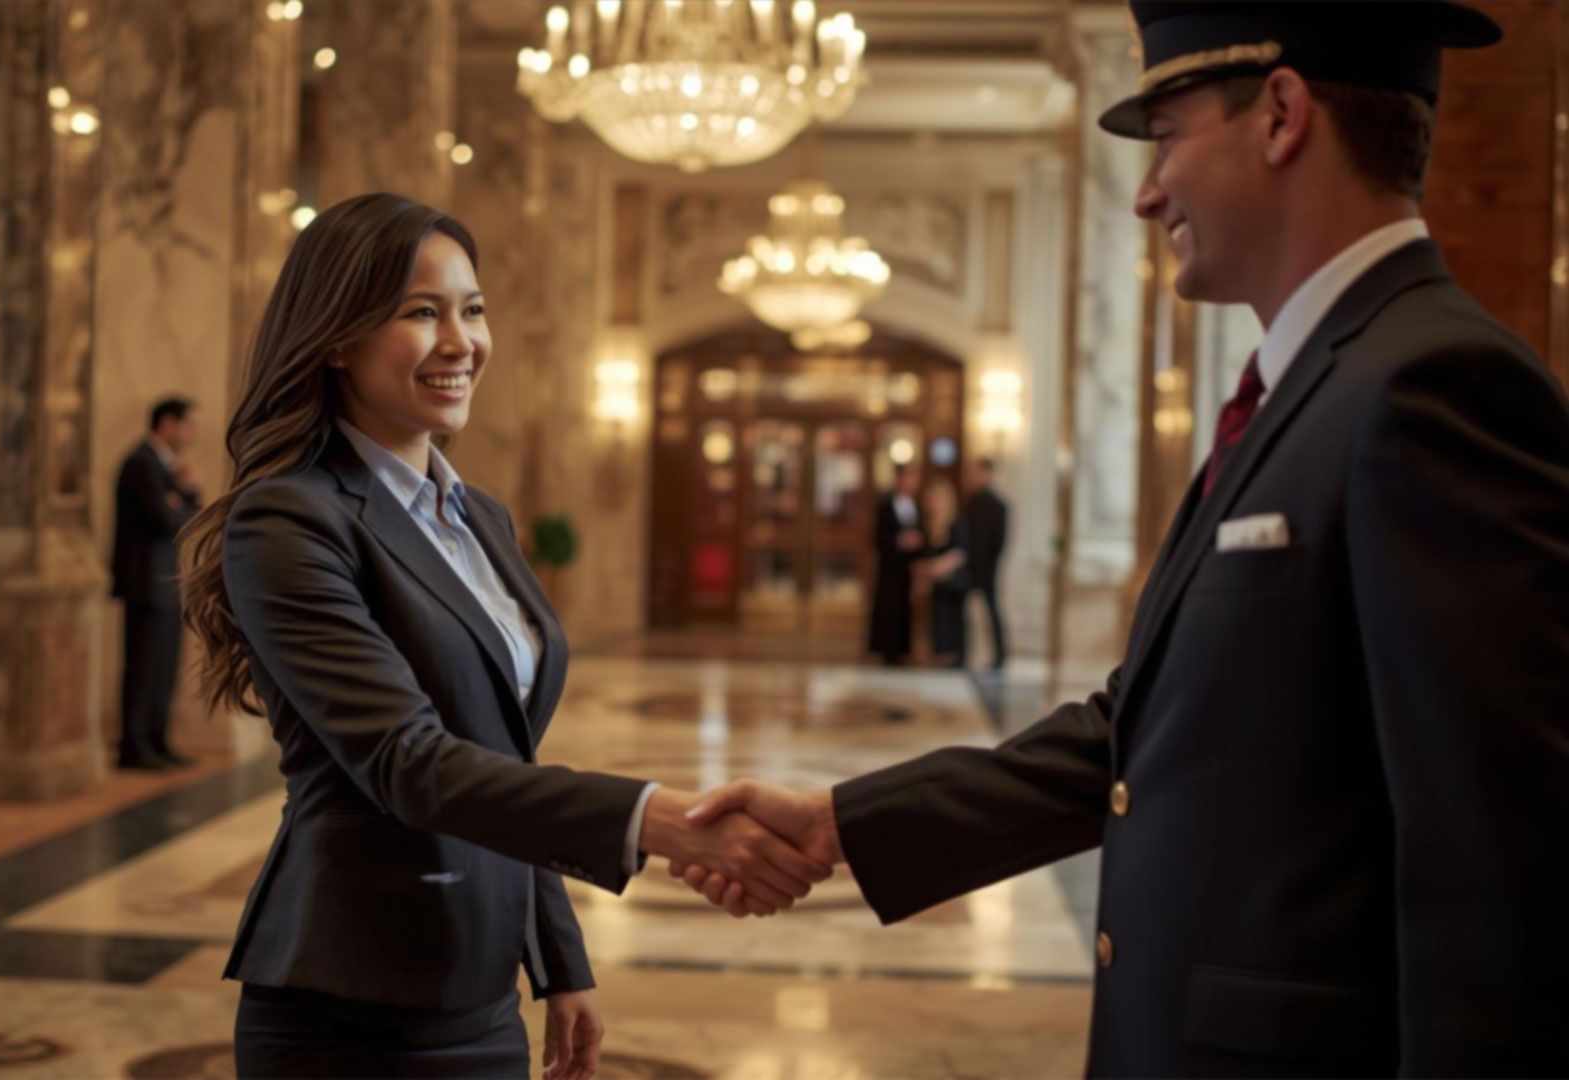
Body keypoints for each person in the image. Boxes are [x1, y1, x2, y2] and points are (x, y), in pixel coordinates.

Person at [669, 3, 1569, 1074]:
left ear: (1280, 114)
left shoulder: (1425, 386)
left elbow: (1502, 858)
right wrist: (839, 821)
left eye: (1167, 136)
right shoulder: (1309, 385)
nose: (1145, 194)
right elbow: (1141, 732)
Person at [178, 194, 829, 1079]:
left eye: (472, 309)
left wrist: (559, 960)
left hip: (481, 983)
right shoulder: (289, 520)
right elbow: (410, 763)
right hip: (353, 995)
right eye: (419, 312)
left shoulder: (478, 515)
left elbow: (505, 754)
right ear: (335, 336)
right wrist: (664, 822)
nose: (460, 342)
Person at [111, 396, 202, 770]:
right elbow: (168, 522)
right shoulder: (141, 464)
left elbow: (178, 517)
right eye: (188, 425)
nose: (192, 434)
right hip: (145, 584)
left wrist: (180, 497)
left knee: (164, 668)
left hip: (164, 584)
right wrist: (189, 495)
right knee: (143, 670)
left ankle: (158, 741)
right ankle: (134, 747)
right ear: (167, 423)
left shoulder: (165, 470)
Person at [866, 463, 923, 665]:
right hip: (889, 568)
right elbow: (877, 537)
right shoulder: (885, 505)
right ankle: (886, 650)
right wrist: (899, 541)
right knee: (888, 608)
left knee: (905, 609)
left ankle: (902, 650)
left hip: (908, 568)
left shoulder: (917, 506)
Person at [916, 477, 968, 668]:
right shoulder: (929, 524)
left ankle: (955, 656)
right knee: (936, 620)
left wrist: (934, 567)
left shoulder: (956, 523)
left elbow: (960, 553)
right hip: (935, 582)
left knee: (953, 619)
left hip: (953, 581)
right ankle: (938, 654)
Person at [961, 458, 1008, 669]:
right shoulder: (972, 502)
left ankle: (1000, 654)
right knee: (964, 612)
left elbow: (998, 541)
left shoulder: (998, 505)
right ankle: (963, 652)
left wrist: (987, 564)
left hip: (987, 568)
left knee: (992, 611)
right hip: (970, 566)